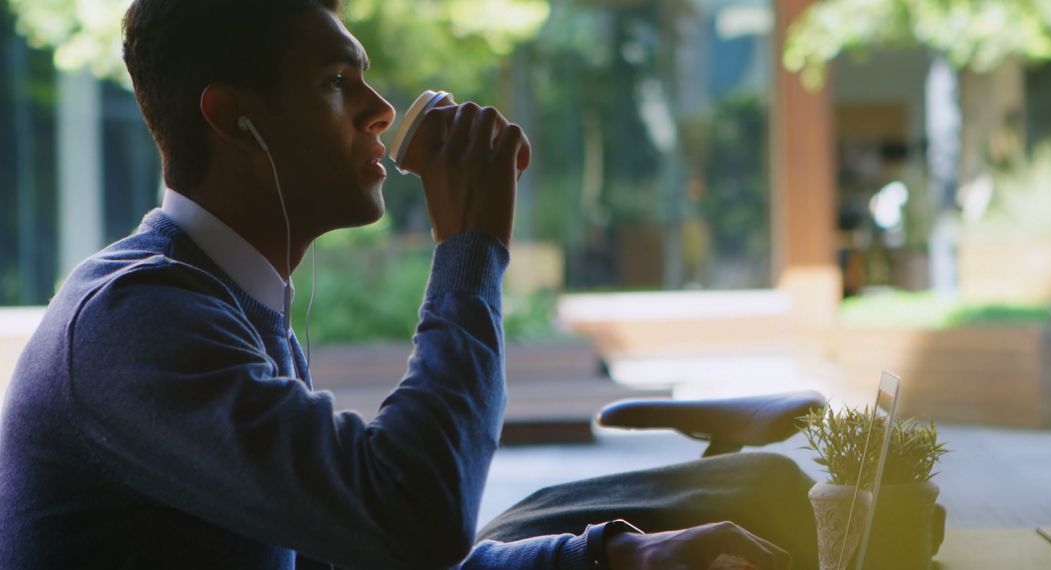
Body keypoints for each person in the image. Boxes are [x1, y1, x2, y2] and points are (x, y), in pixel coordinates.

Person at [0, 1, 794, 568]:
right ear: (235, 118)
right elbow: (415, 519)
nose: (379, 111)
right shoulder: (137, 322)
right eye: (336, 82)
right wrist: (471, 248)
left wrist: (617, 556)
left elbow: (365, 550)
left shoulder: (223, 298)